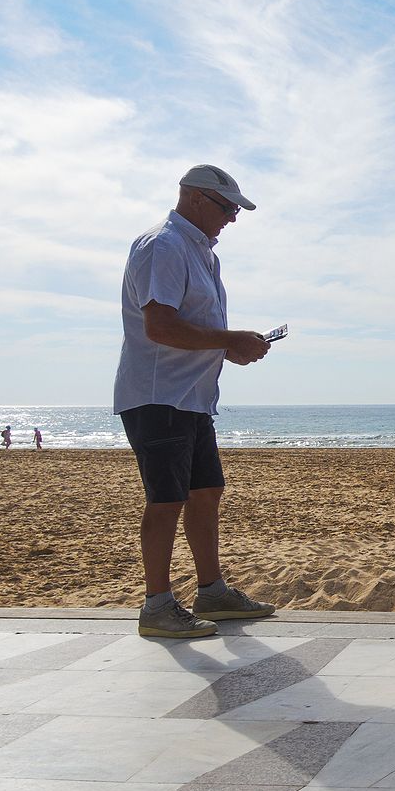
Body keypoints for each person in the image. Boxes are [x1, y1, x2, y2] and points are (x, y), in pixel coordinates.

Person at [114, 164, 277, 639]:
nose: (233, 218)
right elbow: (159, 326)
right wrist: (228, 339)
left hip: (192, 398)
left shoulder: (203, 254)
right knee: (166, 500)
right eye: (227, 208)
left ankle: (212, 592)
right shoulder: (163, 245)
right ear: (196, 198)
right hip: (158, 395)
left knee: (206, 493)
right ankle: (157, 605)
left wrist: (229, 348)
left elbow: (190, 327)